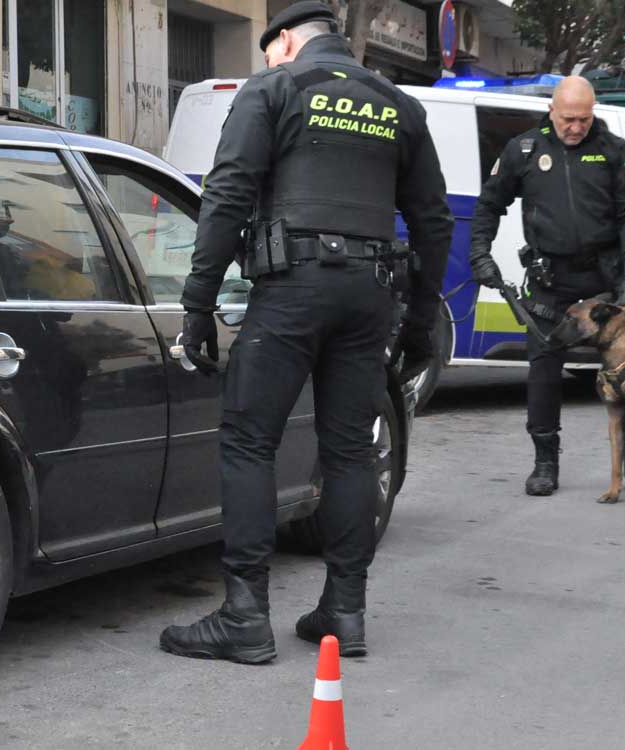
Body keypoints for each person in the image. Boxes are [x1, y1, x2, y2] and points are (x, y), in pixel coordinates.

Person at [158, 1, 452, 663]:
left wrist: (198, 302)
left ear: (286, 40)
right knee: (349, 449)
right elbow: (433, 221)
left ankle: (244, 614)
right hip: (369, 295)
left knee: (248, 440)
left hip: (292, 290)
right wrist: (420, 319)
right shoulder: (397, 105)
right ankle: (345, 612)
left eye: (268, 48)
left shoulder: (274, 88)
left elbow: (228, 193)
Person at [467, 76, 625, 497]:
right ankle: (545, 461)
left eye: (583, 118)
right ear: (551, 111)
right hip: (550, 277)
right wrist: (480, 255)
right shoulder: (524, 150)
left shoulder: (612, 150)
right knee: (543, 366)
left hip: (604, 276)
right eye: (568, 119)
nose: (576, 127)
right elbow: (489, 205)